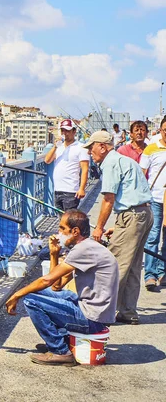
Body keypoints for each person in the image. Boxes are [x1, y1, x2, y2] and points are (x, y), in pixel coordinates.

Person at [5, 210, 118, 366]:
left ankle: (60, 351)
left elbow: (47, 280)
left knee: (31, 300)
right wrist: (54, 254)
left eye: (62, 229)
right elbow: (57, 286)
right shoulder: (88, 247)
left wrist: (17, 294)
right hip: (96, 314)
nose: (59, 233)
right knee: (47, 293)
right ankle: (62, 340)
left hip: (93, 319)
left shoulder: (82, 250)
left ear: (75, 231)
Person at [84, 130, 152, 325]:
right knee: (132, 266)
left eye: (92, 147)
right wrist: (120, 225)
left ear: (102, 147)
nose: (90, 152)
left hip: (132, 216)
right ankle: (127, 311)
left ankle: (99, 313)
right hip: (143, 214)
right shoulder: (125, 160)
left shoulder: (111, 163)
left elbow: (108, 199)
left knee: (113, 264)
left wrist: (99, 227)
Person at [139, 118, 166, 291]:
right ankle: (150, 274)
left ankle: (163, 272)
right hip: (155, 199)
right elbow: (142, 174)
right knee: (152, 237)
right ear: (161, 130)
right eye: (165, 129)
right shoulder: (152, 148)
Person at [44, 119, 89, 211]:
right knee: (62, 221)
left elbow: (85, 169)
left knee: (69, 221)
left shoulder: (80, 147)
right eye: (63, 130)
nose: (65, 133)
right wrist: (55, 146)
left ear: (74, 131)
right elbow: (47, 160)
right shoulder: (59, 147)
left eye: (68, 131)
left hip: (71, 191)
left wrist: (82, 189)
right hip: (57, 189)